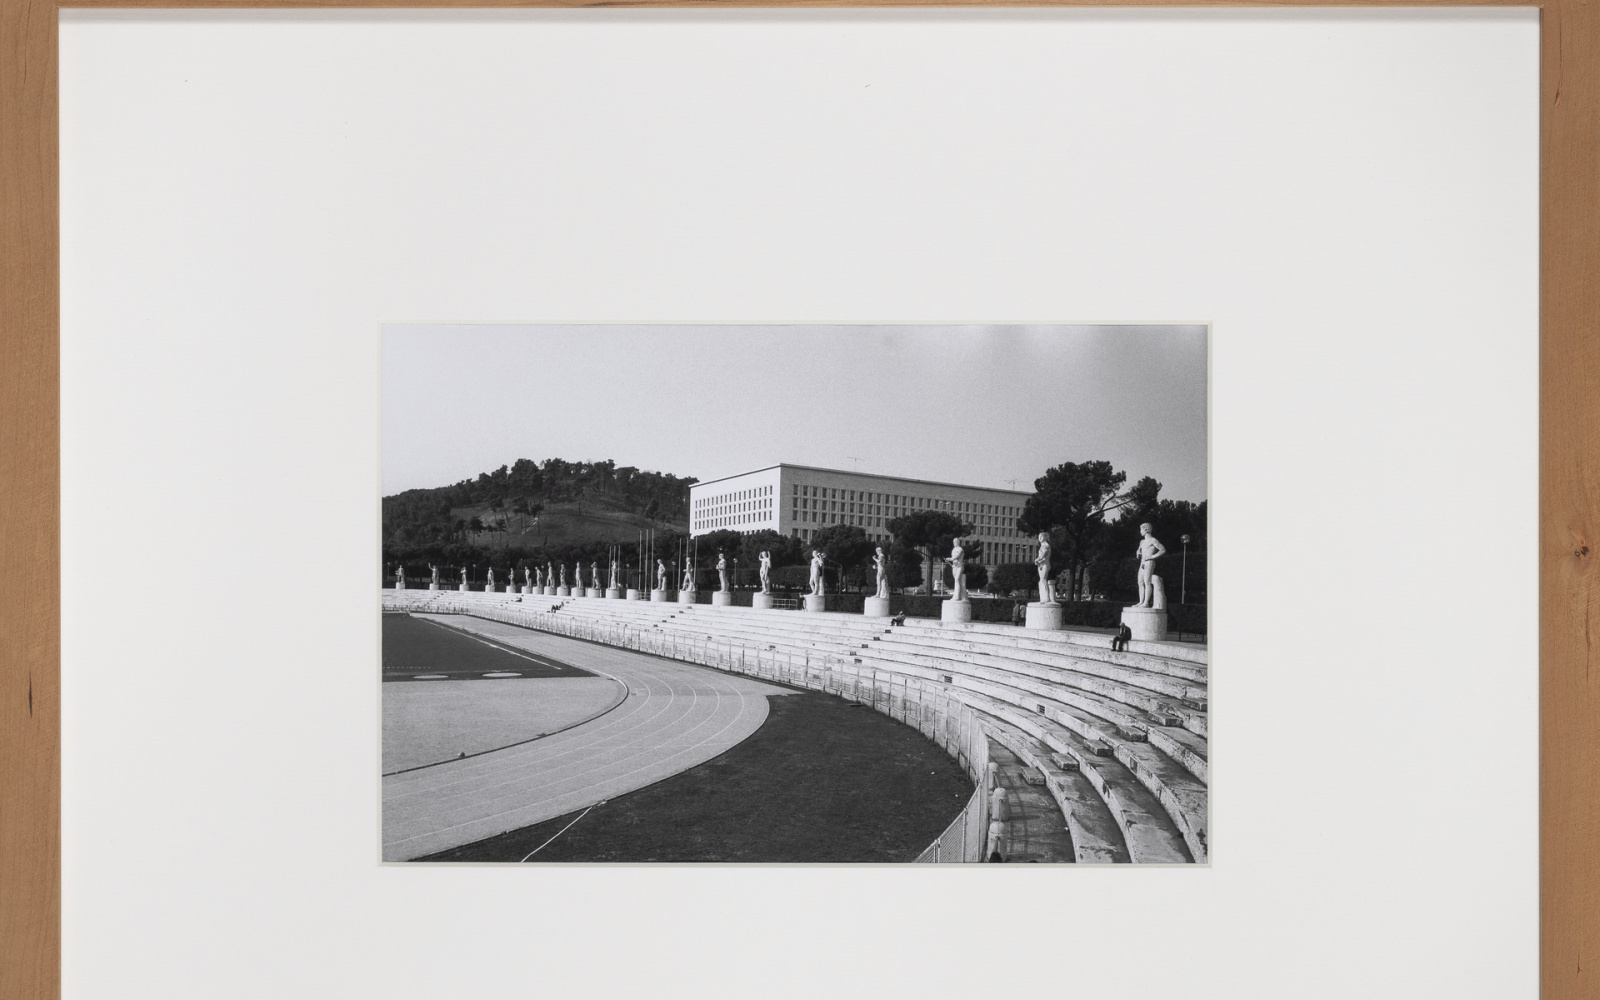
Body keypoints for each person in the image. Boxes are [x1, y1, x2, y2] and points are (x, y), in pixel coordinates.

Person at [1135, 523, 1167, 608]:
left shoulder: (1153, 540)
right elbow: (1139, 550)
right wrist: (1138, 553)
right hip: (1142, 563)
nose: (1140, 531)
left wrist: (1152, 556)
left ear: (1146, 530)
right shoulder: (1141, 542)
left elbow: (1163, 550)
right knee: (1140, 582)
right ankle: (1141, 602)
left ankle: (1146, 603)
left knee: (1147, 582)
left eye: (1141, 529)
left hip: (1149, 562)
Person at [1034, 532, 1055, 604]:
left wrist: (1036, 560)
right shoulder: (1042, 546)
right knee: (1041, 580)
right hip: (1041, 565)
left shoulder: (1046, 545)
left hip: (1045, 565)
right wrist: (1038, 561)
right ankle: (1043, 597)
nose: (1039, 538)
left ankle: (1047, 597)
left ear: (1045, 537)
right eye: (1039, 537)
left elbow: (1043, 555)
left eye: (1041, 537)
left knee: (1043, 579)